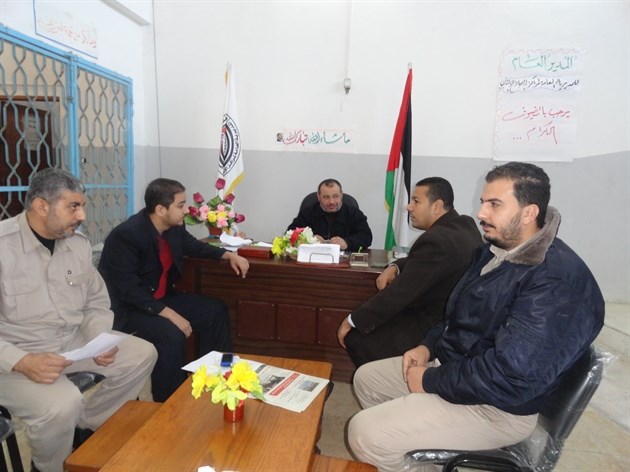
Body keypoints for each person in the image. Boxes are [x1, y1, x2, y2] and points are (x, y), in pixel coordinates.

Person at [347, 162, 604, 472]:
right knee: (367, 380)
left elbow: (511, 378)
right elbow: (456, 316)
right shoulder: (495, 252)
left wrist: (429, 380)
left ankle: (398, 444)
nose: (481, 213)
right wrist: (427, 346)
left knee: (364, 434)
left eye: (494, 204)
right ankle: (413, 449)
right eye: (483, 202)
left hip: (499, 407)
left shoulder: (555, 283)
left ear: (528, 213)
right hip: (458, 369)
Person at [0, 168, 157, 472]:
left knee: (142, 354)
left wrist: (99, 339)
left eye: (82, 206)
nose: (82, 215)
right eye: (73, 206)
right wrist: (21, 361)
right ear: (41, 206)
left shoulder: (77, 244)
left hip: (71, 343)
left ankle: (85, 427)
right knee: (61, 404)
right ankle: (51, 466)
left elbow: (95, 302)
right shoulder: (3, 247)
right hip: (15, 359)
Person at [98, 178, 249, 402]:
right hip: (129, 310)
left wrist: (227, 255)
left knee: (214, 311)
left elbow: (193, 246)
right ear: (161, 209)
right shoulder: (127, 236)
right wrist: (169, 314)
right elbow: (128, 290)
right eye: (180, 205)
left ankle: (215, 378)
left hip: (161, 299)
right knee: (172, 334)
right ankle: (169, 402)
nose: (186, 210)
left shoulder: (174, 228)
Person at [337, 177, 482, 367]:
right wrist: (396, 266)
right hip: (461, 319)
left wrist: (352, 320)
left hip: (435, 324)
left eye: (416, 201)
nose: (408, 207)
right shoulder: (464, 225)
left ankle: (393, 383)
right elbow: (428, 260)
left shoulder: (436, 239)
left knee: (356, 337)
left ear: (437, 206)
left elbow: (398, 294)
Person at [288, 178, 372, 251]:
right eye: (326, 197)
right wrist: (309, 239)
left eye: (335, 196)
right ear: (319, 197)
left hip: (344, 260)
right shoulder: (307, 212)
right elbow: (290, 233)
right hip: (313, 258)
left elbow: (366, 237)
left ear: (341, 195)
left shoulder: (353, 213)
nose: (331, 202)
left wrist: (347, 242)